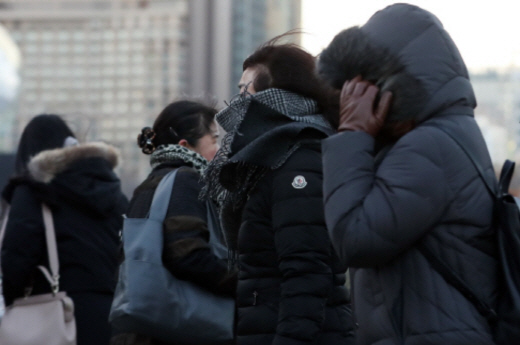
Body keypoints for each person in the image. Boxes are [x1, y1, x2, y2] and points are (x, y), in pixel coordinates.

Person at [317, 4, 497, 345]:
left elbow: (354, 238)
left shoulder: (428, 146)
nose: (354, 101)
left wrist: (352, 134)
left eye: (364, 88)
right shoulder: (447, 133)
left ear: (392, 86)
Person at [202, 38, 355, 345]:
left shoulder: (298, 159)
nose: (236, 104)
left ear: (273, 97)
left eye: (245, 92)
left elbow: (307, 273)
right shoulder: (268, 160)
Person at [110, 100, 236, 345]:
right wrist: (244, 282)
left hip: (144, 327)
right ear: (185, 145)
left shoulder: (150, 184)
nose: (220, 149)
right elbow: (187, 254)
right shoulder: (185, 180)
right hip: (180, 328)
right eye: (214, 140)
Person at [1, 114, 129, 345]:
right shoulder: (113, 193)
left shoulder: (32, 191)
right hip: (113, 317)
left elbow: (16, 257)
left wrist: (14, 298)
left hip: (55, 315)